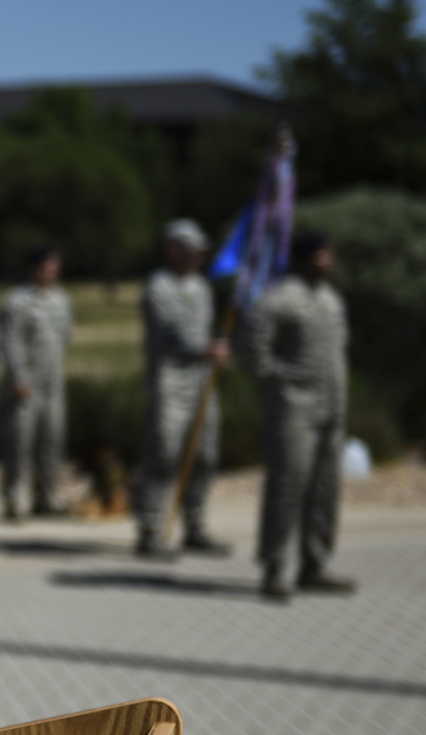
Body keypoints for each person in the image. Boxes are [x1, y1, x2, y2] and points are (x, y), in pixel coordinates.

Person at [241, 229, 358, 601]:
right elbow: (252, 354)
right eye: (323, 255)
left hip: (331, 409)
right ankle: (275, 569)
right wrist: (281, 382)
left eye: (330, 254)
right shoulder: (278, 301)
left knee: (325, 491)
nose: (330, 262)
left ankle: (315, 565)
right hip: (293, 410)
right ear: (303, 259)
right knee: (286, 489)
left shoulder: (331, 299)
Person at [135, 220, 231, 557]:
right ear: (172, 250)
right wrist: (206, 347)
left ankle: (196, 525)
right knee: (164, 453)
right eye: (190, 250)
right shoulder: (158, 285)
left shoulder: (202, 287)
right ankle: (150, 530)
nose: (197, 257)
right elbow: (171, 329)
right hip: (170, 380)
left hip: (201, 380)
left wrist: (218, 347)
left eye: (200, 251)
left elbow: (208, 330)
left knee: (205, 454)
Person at [0, 247, 72, 519]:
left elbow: (65, 337)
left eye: (55, 266)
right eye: (47, 266)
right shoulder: (17, 301)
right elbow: (9, 342)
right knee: (20, 443)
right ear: (34, 269)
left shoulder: (62, 300)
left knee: (52, 439)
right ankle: (13, 499)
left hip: (52, 382)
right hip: (25, 382)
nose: (52, 271)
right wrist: (18, 377)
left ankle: (46, 497)